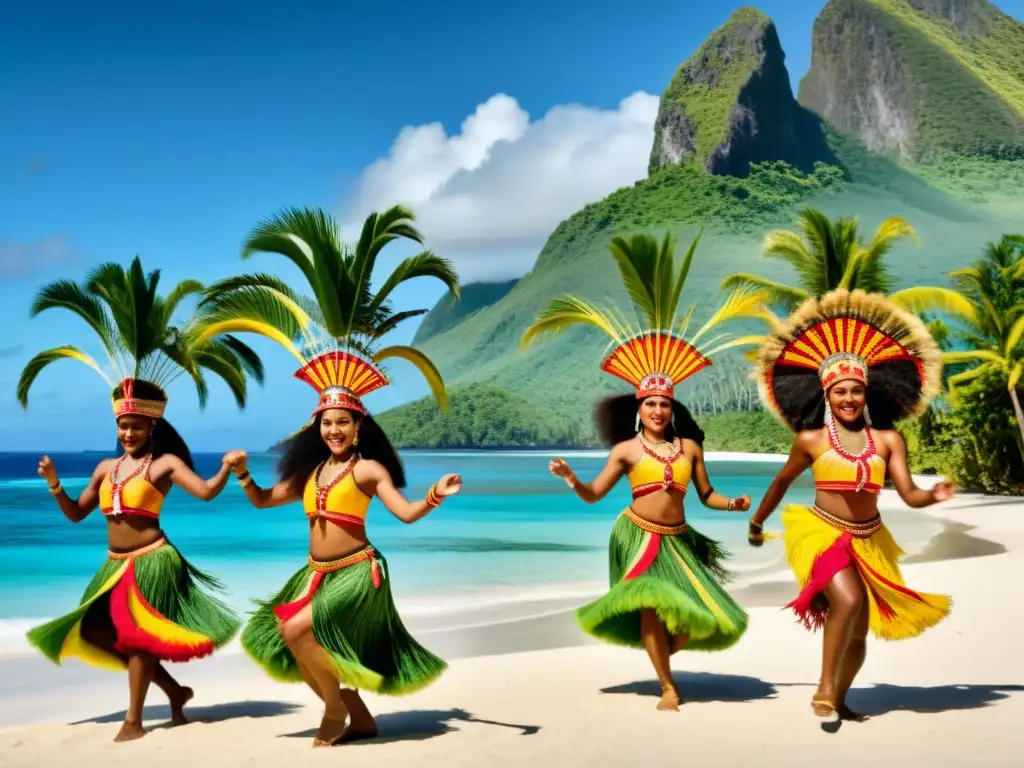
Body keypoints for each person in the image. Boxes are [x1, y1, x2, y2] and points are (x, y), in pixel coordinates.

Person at [230, 348, 458, 747]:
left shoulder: (368, 469)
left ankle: (334, 708)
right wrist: (243, 473)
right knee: (286, 632)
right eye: (327, 423)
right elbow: (263, 500)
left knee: (300, 629)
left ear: (358, 428)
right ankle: (359, 718)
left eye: (343, 423)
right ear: (317, 426)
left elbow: (405, 513)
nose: (333, 430)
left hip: (357, 571)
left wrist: (434, 496)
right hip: (315, 572)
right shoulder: (310, 473)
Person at [748, 289, 955, 723]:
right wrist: (758, 521)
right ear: (827, 394)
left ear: (866, 395)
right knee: (847, 599)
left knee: (859, 634)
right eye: (840, 391)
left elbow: (909, 494)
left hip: (870, 538)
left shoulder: (888, 440)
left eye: (856, 391)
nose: (848, 399)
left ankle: (840, 698)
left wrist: (931, 496)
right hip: (820, 533)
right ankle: (824, 689)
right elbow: (781, 482)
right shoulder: (812, 441)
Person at [28, 378, 242, 742]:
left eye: (136, 427)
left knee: (138, 638)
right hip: (114, 564)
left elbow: (205, 492)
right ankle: (175, 692)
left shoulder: (165, 465)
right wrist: (54, 483)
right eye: (123, 427)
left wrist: (228, 467)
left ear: (151, 427)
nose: (129, 433)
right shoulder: (105, 469)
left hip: (153, 561)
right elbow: (76, 514)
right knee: (95, 632)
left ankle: (133, 720)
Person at [548, 331, 751, 711]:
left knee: (694, 618)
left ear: (672, 409)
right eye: (650, 404)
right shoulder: (625, 450)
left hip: (677, 540)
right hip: (637, 536)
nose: (658, 411)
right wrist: (571, 478)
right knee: (651, 605)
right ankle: (667, 686)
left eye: (664, 405)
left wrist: (734, 504)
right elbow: (594, 495)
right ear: (639, 409)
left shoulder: (689, 448)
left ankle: (661, 657)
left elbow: (708, 495)